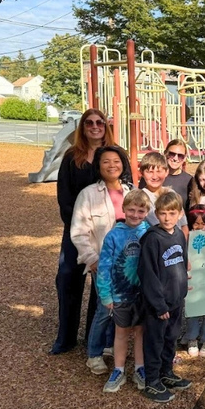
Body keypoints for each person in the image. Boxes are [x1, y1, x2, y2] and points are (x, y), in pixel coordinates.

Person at [51, 108, 115, 354]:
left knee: (101, 283)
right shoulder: (71, 157)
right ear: (82, 127)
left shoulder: (113, 155)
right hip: (76, 229)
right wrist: (76, 225)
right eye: (89, 122)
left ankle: (93, 336)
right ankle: (65, 337)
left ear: (105, 126)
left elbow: (123, 190)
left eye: (100, 122)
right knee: (68, 277)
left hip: (105, 231)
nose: (95, 126)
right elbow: (64, 195)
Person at [70, 143, 134, 376]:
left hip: (128, 265)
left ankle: (109, 346)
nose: (112, 165)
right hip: (103, 264)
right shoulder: (88, 194)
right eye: (106, 161)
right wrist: (92, 260)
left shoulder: (130, 191)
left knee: (123, 308)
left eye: (116, 161)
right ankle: (94, 354)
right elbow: (79, 232)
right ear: (98, 165)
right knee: (104, 309)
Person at [138, 190, 193, 403]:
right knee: (155, 341)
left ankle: (166, 373)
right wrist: (159, 305)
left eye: (172, 213)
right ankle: (151, 381)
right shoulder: (152, 239)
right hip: (158, 305)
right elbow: (148, 275)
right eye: (162, 213)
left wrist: (183, 286)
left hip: (176, 300)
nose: (167, 218)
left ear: (179, 214)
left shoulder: (179, 234)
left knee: (171, 339)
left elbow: (181, 262)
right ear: (156, 214)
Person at [97, 188, 151, 395]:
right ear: (124, 209)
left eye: (140, 211)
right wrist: (105, 294)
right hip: (120, 293)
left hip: (143, 294)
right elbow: (104, 267)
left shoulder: (150, 232)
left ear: (146, 212)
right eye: (131, 210)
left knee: (140, 331)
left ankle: (140, 368)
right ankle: (119, 370)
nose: (135, 215)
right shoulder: (114, 235)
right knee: (121, 333)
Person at [163, 137, 193, 205]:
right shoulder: (155, 177)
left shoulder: (190, 181)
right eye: (172, 154)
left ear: (185, 158)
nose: (175, 158)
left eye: (180, 156)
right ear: (165, 153)